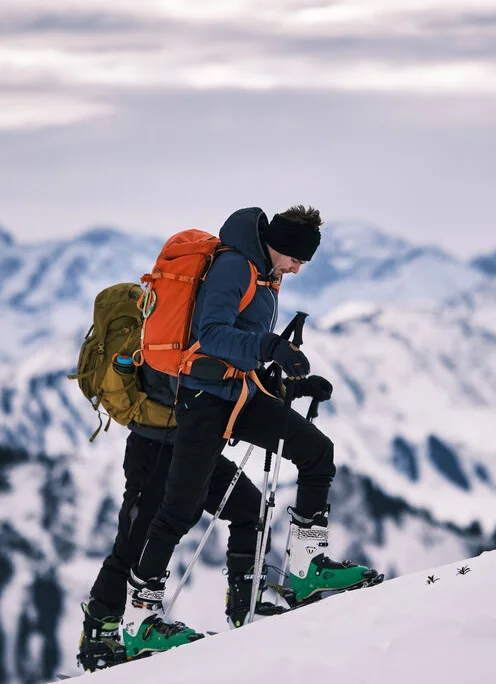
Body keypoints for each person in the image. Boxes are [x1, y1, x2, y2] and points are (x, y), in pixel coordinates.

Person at [122, 205, 379, 657]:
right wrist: (271, 346)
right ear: (280, 245)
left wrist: (288, 381)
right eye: (298, 258)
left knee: (317, 451)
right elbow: (212, 334)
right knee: (179, 509)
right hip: (203, 401)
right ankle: (140, 619)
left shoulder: (265, 273)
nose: (299, 268)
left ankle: (306, 567)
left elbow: (244, 348)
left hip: (240, 393)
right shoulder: (234, 266)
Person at [76, 361, 286, 672]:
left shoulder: (199, 326)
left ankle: (246, 605)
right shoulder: (172, 332)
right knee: (137, 543)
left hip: (195, 445)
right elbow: (184, 382)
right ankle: (98, 641)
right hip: (156, 445)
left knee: (250, 509)